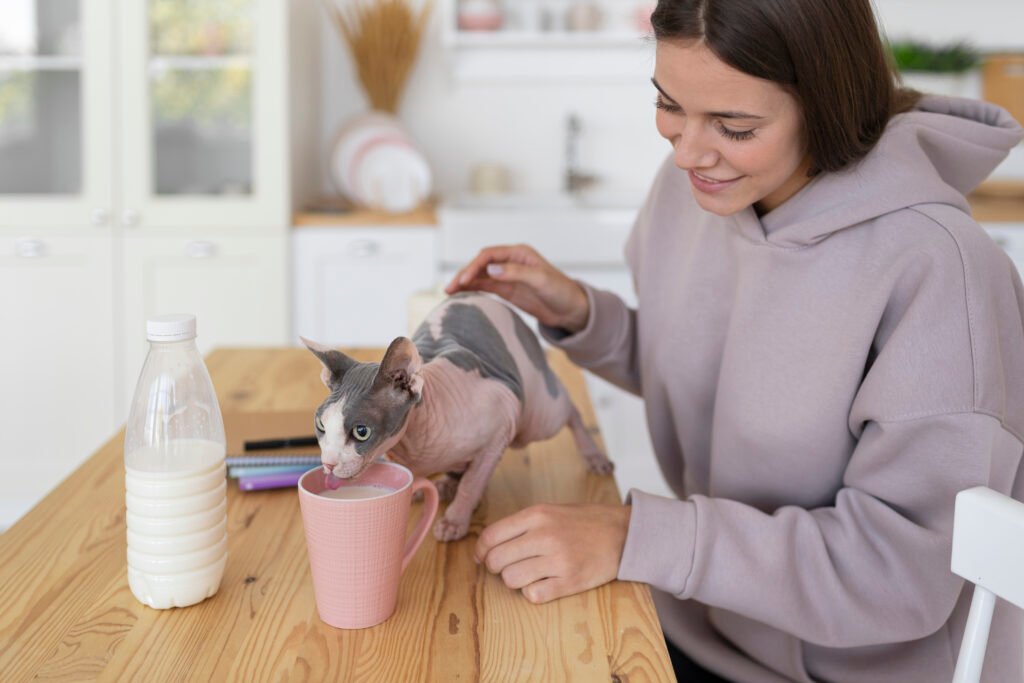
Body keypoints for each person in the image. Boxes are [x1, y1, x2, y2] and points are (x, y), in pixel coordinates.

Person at [444, 0, 1024, 681]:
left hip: (855, 666)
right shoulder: (707, 188)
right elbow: (714, 375)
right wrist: (583, 315)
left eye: (735, 126)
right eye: (669, 105)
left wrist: (640, 536)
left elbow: (896, 572)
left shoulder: (937, 270)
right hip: (707, 612)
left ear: (825, 102)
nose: (689, 151)